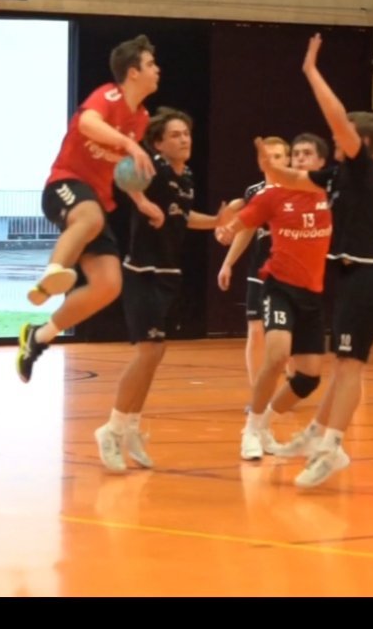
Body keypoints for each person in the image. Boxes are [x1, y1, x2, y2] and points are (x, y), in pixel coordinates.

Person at [261, 33, 373, 488]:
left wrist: (312, 71)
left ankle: (332, 446)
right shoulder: (341, 175)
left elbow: (336, 116)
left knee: (351, 365)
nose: (334, 137)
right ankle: (318, 432)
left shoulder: (358, 165)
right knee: (342, 362)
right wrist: (269, 166)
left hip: (370, 273)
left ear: (355, 141)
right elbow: (290, 177)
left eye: (342, 135)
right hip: (351, 275)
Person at [16, 34, 163, 384]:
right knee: (91, 217)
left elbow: (119, 169)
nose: (158, 70)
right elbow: (86, 124)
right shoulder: (108, 96)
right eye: (151, 64)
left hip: (95, 200)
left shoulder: (140, 117)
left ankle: (38, 337)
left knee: (109, 284)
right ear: (132, 72)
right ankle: (54, 271)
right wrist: (129, 143)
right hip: (63, 185)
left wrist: (142, 201)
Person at [95, 107, 229, 473]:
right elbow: (121, 172)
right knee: (148, 350)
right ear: (158, 142)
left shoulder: (185, 178)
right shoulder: (150, 165)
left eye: (186, 133)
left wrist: (218, 221)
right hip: (143, 273)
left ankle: (132, 428)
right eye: (175, 134)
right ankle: (111, 429)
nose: (184, 139)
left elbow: (183, 218)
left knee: (156, 353)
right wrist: (142, 202)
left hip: (169, 273)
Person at [217, 133, 331, 461]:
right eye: (295, 154)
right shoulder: (273, 196)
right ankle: (250, 430)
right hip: (279, 287)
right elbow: (242, 224)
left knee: (308, 378)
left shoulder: (330, 195)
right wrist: (227, 230)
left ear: (322, 163)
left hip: (313, 294)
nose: (299, 159)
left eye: (307, 154)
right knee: (277, 353)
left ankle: (264, 424)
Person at [215, 137, 291, 389]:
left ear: (288, 160)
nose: (273, 161)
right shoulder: (254, 192)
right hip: (260, 271)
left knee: (285, 334)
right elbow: (246, 229)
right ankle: (258, 392)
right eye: (268, 156)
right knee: (256, 331)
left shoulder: (302, 190)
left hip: (292, 273)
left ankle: (291, 379)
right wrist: (228, 263)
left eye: (279, 156)